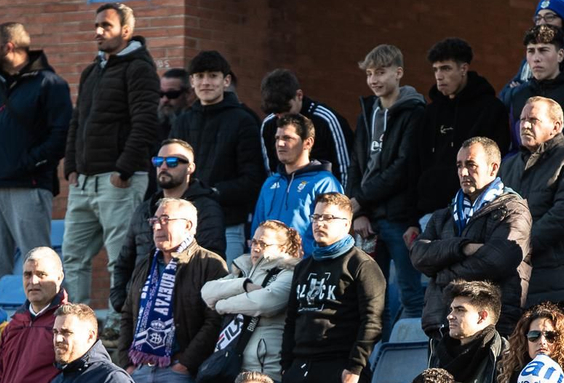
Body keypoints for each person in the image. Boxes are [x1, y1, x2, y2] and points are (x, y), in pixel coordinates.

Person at [116, 196, 229, 383]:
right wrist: (127, 364)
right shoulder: (146, 264)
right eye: (155, 220)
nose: (157, 226)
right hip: (142, 370)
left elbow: (214, 322)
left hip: (180, 373)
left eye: (165, 220)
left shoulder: (209, 263)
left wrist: (185, 364)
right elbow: (128, 315)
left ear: (189, 225)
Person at [60, 3, 160, 306]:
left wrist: (124, 170)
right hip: (84, 182)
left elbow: (145, 122)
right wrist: (72, 167)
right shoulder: (92, 70)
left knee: (120, 258)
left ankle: (120, 323)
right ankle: (75, 322)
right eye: (96, 26)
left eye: (106, 26)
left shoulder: (140, 68)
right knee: (73, 257)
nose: (98, 32)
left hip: (119, 181)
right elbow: (77, 120)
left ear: (126, 31)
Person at [280, 193, 386, 383]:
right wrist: (286, 368)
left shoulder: (361, 264)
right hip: (301, 368)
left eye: (328, 217)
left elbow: (372, 321)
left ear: (346, 223)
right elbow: (292, 319)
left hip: (340, 367)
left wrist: (355, 367)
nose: (319, 223)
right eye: (316, 217)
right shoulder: (303, 267)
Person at [0, 21, 71, 281]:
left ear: (9, 47)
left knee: (38, 267)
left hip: (30, 186)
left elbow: (61, 135)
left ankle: (47, 322)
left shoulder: (51, 84)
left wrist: (30, 163)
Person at [412, 137, 531, 339]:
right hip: (442, 324)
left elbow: (496, 261)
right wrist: (463, 247)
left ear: (493, 168)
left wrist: (442, 276)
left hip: (492, 326)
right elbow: (418, 255)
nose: (463, 172)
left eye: (471, 165)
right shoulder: (444, 215)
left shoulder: (513, 210)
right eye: (459, 165)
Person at [348, 44, 427, 323]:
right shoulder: (367, 112)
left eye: (380, 72)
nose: (374, 80)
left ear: (399, 72)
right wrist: (358, 212)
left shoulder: (414, 112)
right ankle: (373, 363)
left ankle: (413, 360)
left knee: (410, 293)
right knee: (371, 298)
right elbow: (355, 164)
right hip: (368, 218)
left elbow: (403, 169)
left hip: (399, 216)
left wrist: (360, 201)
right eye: (370, 74)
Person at [498, 98, 564, 309]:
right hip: (511, 282)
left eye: (533, 120)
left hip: (554, 279)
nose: (524, 125)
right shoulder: (508, 165)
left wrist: (519, 245)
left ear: (556, 126)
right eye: (521, 120)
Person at [109, 140, 227, 306]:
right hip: (139, 308)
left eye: (172, 162)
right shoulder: (144, 209)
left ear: (190, 168)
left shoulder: (206, 208)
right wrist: (122, 302)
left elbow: (211, 263)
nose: (163, 166)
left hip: (184, 309)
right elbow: (124, 262)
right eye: (159, 161)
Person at [170, 51, 265, 252]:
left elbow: (253, 178)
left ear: (226, 80)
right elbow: (169, 169)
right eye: (200, 76)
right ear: (192, 81)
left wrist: (213, 193)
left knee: (226, 283)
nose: (206, 82)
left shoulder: (244, 120)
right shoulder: (182, 121)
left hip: (228, 224)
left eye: (213, 76)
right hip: (182, 226)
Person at [414, 38, 510, 216]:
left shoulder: (490, 109)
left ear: (463, 69)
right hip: (430, 211)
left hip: (475, 208)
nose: (439, 76)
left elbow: (497, 160)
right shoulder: (429, 113)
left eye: (446, 68)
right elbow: (417, 165)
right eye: (435, 69)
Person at [199, 220, 300, 383]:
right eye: (254, 241)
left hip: (265, 374)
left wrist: (221, 305)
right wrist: (244, 285)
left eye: (263, 243)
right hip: (231, 369)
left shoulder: (289, 273)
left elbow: (263, 303)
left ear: (282, 248)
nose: (256, 247)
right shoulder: (242, 270)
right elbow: (207, 292)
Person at [0, 248, 67, 383]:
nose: (33, 282)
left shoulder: (69, 324)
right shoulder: (14, 325)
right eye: (27, 275)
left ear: (59, 277)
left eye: (41, 274)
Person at [506, 25, 564, 163]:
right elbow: (515, 149)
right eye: (531, 51)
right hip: (523, 178)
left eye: (543, 50)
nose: (536, 58)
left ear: (560, 55)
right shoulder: (519, 96)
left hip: (563, 177)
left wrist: (544, 154)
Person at [251, 114, 343, 252]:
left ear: (308, 142)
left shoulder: (325, 183)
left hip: (307, 267)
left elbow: (333, 236)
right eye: (277, 138)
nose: (280, 144)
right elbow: (256, 231)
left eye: (287, 138)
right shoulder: (270, 183)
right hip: (268, 267)